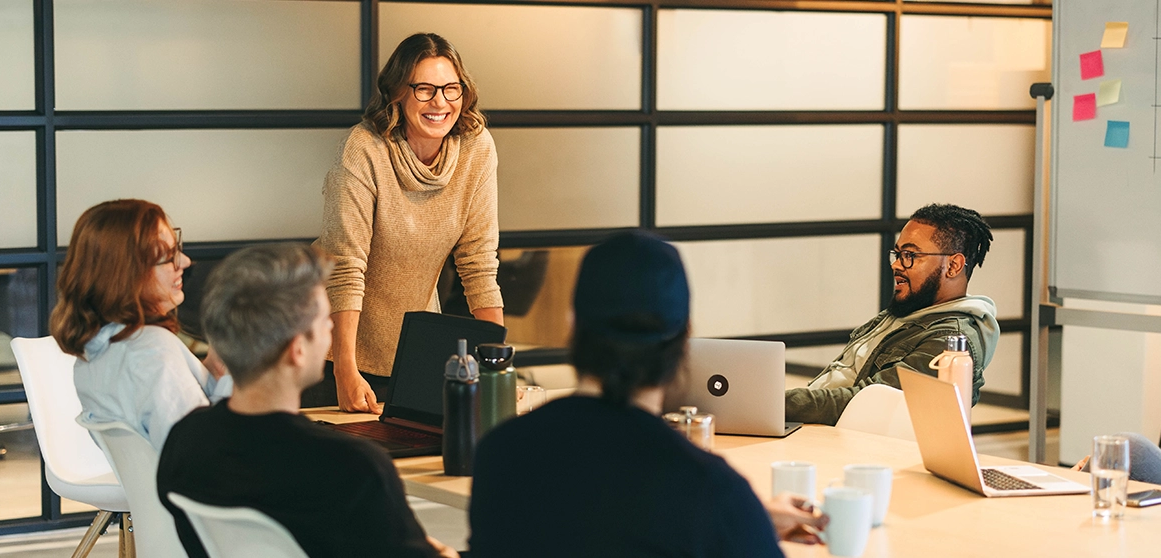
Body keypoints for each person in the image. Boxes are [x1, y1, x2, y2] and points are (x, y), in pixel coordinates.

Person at [469, 231, 826, 557]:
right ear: (684, 339)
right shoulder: (710, 491)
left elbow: (591, 520)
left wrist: (751, 517)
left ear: (572, 322)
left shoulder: (501, 454)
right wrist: (746, 522)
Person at [156, 243, 458, 558]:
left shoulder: (186, 440)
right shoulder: (351, 466)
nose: (331, 326)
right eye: (325, 317)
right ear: (297, 349)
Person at [315, 32, 503, 413]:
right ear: (398, 92)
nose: (440, 102)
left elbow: (479, 265)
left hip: (413, 351)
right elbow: (345, 267)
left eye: (452, 89)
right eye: (424, 89)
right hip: (336, 353)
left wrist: (497, 368)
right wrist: (345, 372)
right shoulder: (364, 148)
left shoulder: (476, 147)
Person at [785, 203, 999, 425]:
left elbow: (867, 402)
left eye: (910, 255)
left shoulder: (950, 340)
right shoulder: (905, 315)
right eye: (897, 254)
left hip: (846, 440)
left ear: (953, 266)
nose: (896, 264)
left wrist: (780, 403)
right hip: (814, 427)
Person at [53, 199, 230, 450]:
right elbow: (201, 455)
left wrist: (216, 371)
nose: (185, 262)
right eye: (168, 257)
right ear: (126, 275)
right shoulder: (152, 350)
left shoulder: (96, 355)